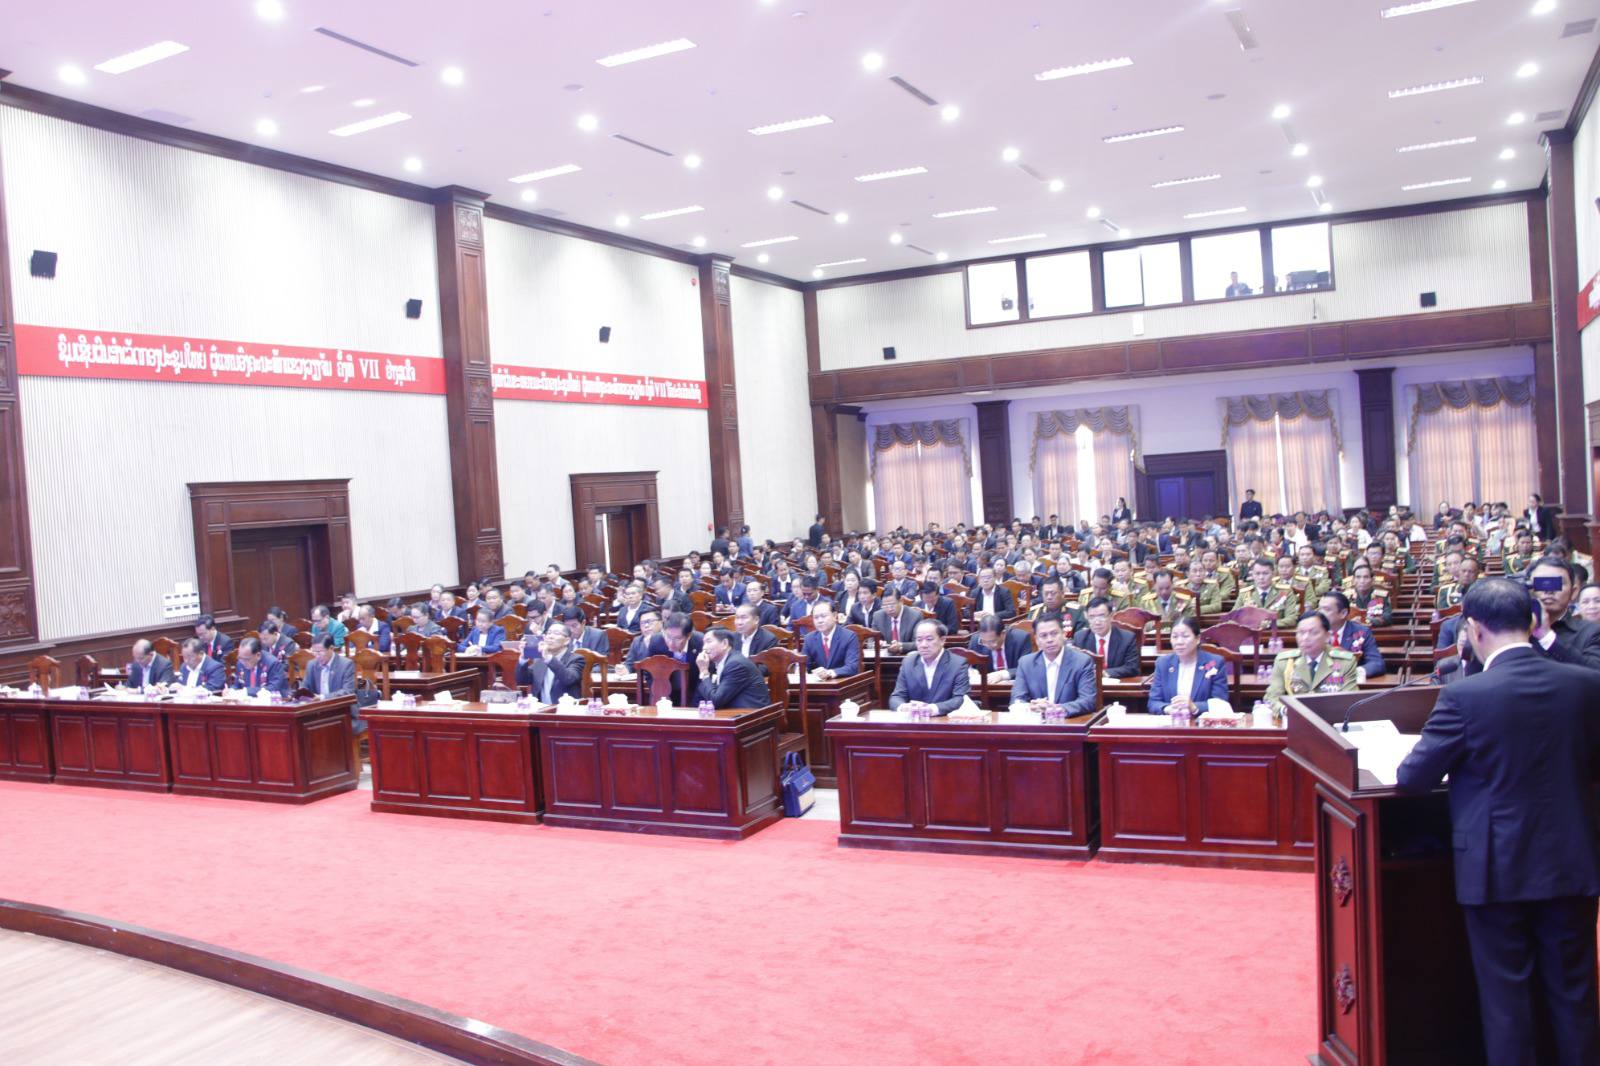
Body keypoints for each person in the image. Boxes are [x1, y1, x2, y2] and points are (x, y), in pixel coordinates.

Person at [1397, 578, 1600, 1064]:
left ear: (1474, 628)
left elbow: (1412, 778)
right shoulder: (1586, 685)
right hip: (1573, 859)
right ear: (1532, 621)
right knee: (1575, 993)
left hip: (1497, 867)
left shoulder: (1465, 696)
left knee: (1507, 998)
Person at [1263, 612, 1358, 706]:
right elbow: (1272, 698)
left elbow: (1350, 700)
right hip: (1293, 714)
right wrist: (1285, 711)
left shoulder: (1345, 662)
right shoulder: (1284, 661)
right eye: (1301, 632)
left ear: (1327, 636)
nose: (1305, 638)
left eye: (1313, 632)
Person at [1010, 614, 1096, 711]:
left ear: (1063, 634)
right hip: (1037, 718)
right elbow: (1017, 699)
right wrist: (1030, 707)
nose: (1049, 640)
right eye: (1043, 636)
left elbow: (1088, 701)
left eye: (1054, 633)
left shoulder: (1082, 661)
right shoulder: (1026, 663)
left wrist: (1055, 709)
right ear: (1036, 639)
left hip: (1069, 719)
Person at [1147, 616, 1230, 715]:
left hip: (1201, 722)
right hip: (1172, 721)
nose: (1179, 642)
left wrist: (1194, 707)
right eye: (1175, 637)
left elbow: (1221, 703)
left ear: (1198, 639)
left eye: (1185, 636)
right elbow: (1153, 702)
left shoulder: (1215, 663)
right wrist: (1168, 709)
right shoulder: (1163, 663)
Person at [1529, 558, 1600, 671]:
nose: (1549, 590)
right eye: (1542, 583)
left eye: (1556, 583)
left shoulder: (1592, 632)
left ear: (1574, 592)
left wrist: (1547, 638)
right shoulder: (1516, 629)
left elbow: (1595, 672)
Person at [888, 620, 970, 715]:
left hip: (944, 720)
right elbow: (896, 697)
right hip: (915, 720)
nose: (923, 645)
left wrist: (932, 709)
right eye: (919, 640)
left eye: (929, 639)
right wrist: (904, 707)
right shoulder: (908, 662)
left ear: (942, 640)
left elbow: (960, 699)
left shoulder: (957, 664)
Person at [693, 628, 770, 709]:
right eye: (704, 643)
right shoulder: (714, 662)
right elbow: (701, 696)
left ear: (724, 643)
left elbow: (715, 701)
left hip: (751, 713)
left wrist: (704, 671)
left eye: (709, 642)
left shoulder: (736, 665)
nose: (704, 648)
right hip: (732, 712)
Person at [1319, 590, 1386, 679]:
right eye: (1319, 609)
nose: (1320, 614)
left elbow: (1377, 664)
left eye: (1326, 609)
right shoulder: (1313, 632)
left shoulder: (1361, 632)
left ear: (1343, 613)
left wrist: (1351, 673)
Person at [1072, 597, 1140, 678]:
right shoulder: (1080, 638)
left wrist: (1104, 673)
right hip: (1090, 683)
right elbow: (1075, 667)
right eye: (1092, 617)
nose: (1097, 622)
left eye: (1101, 616)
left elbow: (1132, 668)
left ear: (1111, 616)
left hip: (1117, 683)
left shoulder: (1127, 638)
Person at [643, 612, 703, 704]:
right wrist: (661, 694)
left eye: (677, 639)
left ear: (689, 636)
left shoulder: (700, 642)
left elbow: (701, 678)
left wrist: (694, 705)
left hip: (693, 692)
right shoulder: (656, 641)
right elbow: (649, 672)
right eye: (668, 637)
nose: (671, 643)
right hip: (664, 694)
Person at [522, 623, 582, 702]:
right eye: (548, 633)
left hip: (564, 708)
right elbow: (523, 680)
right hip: (541, 708)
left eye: (556, 633)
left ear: (567, 641)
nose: (550, 636)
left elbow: (568, 679)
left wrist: (548, 657)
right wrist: (522, 659)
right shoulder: (539, 659)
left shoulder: (576, 659)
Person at [801, 601, 860, 679]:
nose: (820, 621)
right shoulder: (809, 638)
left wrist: (830, 673)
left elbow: (852, 667)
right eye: (816, 617)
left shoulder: (849, 636)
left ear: (835, 616)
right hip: (818, 683)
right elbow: (804, 666)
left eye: (823, 616)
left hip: (842, 682)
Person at [966, 614, 1031, 680]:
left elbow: (1026, 668)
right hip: (988, 684)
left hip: (1014, 683)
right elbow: (969, 666)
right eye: (984, 641)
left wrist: (1002, 675)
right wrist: (972, 672)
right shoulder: (976, 640)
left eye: (992, 641)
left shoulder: (1021, 639)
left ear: (1003, 634)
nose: (988, 645)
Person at [872, 587, 922, 655]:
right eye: (885, 606)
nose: (889, 609)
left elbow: (918, 642)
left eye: (892, 605)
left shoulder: (915, 616)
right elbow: (872, 640)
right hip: (886, 656)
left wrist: (901, 645)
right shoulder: (878, 616)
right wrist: (879, 642)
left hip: (907, 655)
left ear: (901, 601)